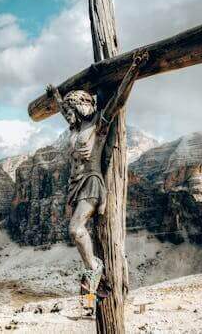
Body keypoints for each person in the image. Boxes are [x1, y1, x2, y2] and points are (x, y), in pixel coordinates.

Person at [46, 49, 148, 297]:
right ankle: (95, 274)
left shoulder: (98, 124)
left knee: (75, 229)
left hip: (92, 181)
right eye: (71, 108)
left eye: (76, 105)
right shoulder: (75, 125)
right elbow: (63, 111)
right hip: (76, 183)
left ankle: (94, 268)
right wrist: (57, 96)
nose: (73, 111)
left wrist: (133, 71)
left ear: (84, 105)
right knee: (76, 229)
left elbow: (118, 102)